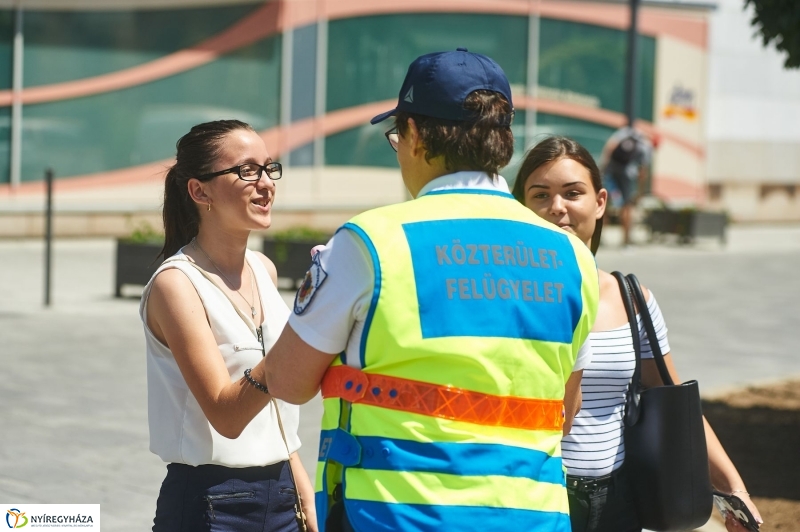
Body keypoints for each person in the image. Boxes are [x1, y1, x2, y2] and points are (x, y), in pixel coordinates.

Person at [258, 49, 600, 532]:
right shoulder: (573, 257)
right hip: (532, 516)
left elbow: (288, 383)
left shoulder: (370, 243)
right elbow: (566, 411)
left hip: (393, 514)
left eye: (396, 135)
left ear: (415, 134)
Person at [513, 136, 763, 532]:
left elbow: (676, 404)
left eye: (572, 193)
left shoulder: (632, 299)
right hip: (536, 496)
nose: (557, 207)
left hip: (618, 500)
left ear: (600, 203)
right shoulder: (507, 298)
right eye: (540, 195)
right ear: (522, 208)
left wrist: (735, 489)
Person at [140, 119, 317, 531]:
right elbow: (227, 415)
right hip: (213, 504)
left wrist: (303, 489)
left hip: (283, 493)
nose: (266, 183)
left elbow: (273, 414)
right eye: (246, 170)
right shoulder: (177, 284)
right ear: (199, 191)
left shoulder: (263, 269)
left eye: (269, 167)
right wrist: (305, 337)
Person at [599, 126, 656, 247]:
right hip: (627, 174)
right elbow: (643, 173)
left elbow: (610, 146)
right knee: (626, 206)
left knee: (603, 202)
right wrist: (640, 192)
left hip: (610, 169)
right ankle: (626, 241)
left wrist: (604, 166)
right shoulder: (647, 147)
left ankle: (599, 237)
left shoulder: (628, 132)